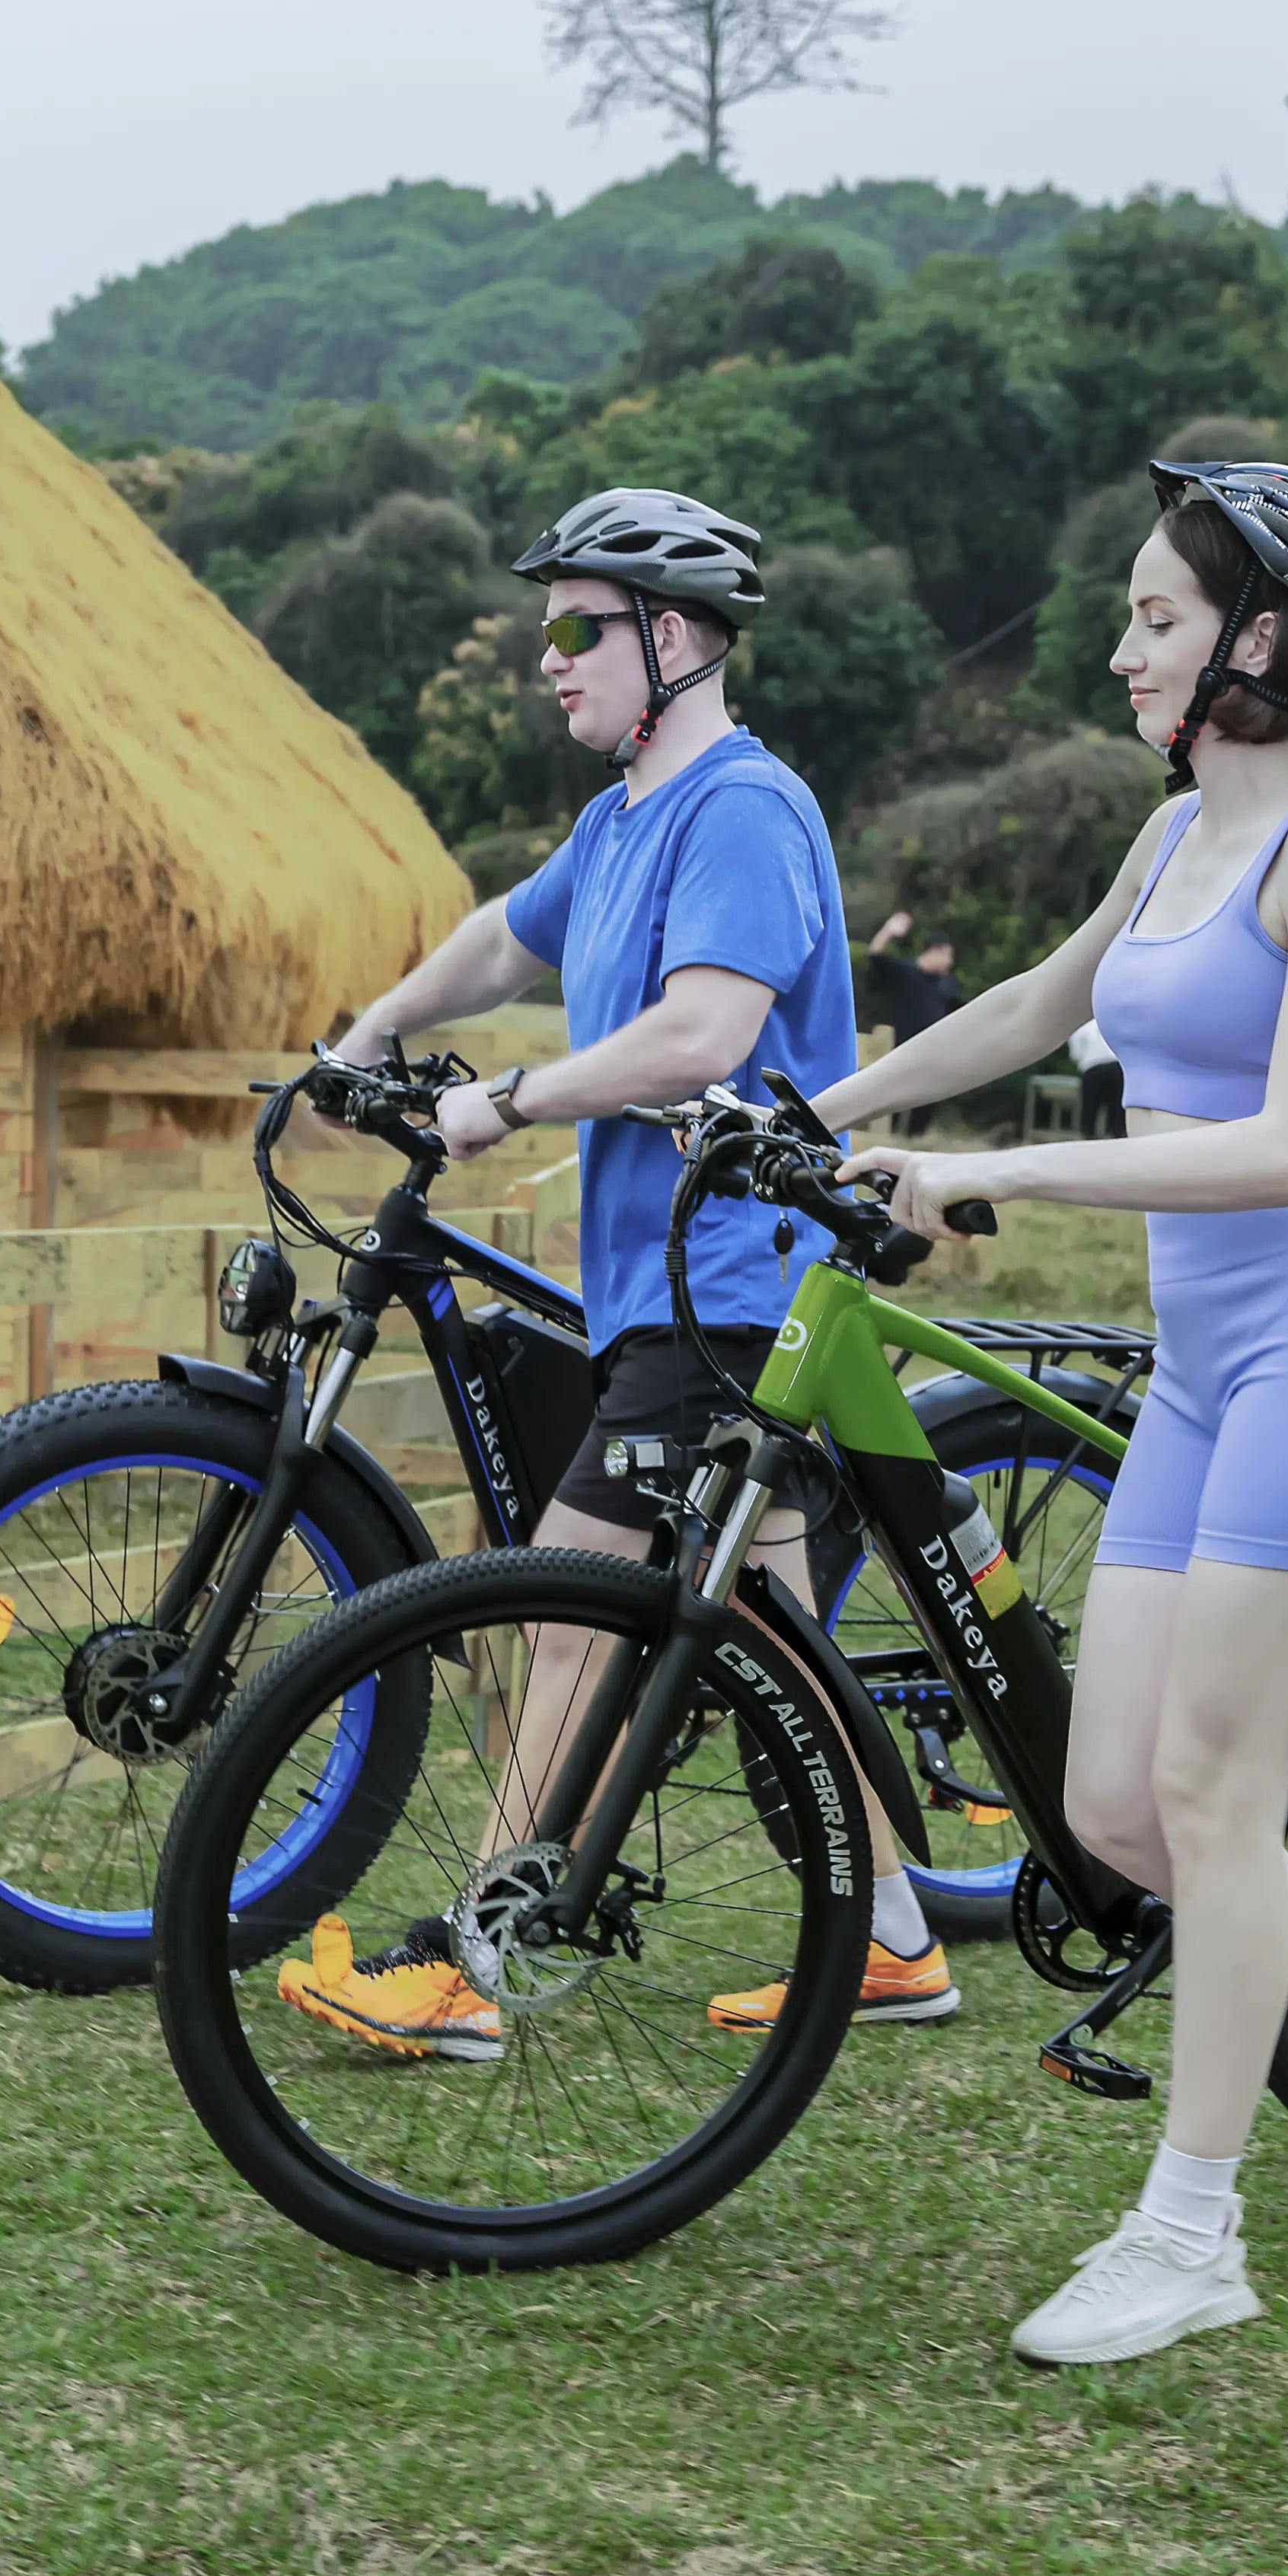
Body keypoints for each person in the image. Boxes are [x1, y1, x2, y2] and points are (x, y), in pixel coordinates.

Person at [811, 461, 1288, 2367]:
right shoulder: (1172, 834)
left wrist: (1010, 1184)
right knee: (1111, 1801)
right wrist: (834, 1109)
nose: (1119, 647)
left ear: (1261, 640)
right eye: (1127, 615)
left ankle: (1190, 2227)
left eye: (1154, 617)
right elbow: (1039, 1004)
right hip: (1205, 1375)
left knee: (1210, 1792)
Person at [273, 486, 961, 2055]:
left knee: (573, 1615)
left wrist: (502, 1099)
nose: (551, 661)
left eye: (578, 630)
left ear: (678, 638)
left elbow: (706, 1033)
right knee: (777, 1625)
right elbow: (503, 943)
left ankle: (474, 1960)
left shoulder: (742, 809)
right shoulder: (622, 818)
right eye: (546, 633)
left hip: (733, 1282)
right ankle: (902, 1938)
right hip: (675, 1286)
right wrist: (371, 1031)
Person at [865, 911, 964, 1134]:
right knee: (895, 1094)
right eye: (948, 955)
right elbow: (875, 956)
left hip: (934, 1051)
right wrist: (888, 931)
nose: (950, 962)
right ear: (935, 951)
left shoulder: (947, 983)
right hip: (902, 1047)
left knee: (929, 1096)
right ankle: (889, 1132)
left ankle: (915, 1137)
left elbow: (960, 1008)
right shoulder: (906, 972)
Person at [1067, 1015, 1124, 1139]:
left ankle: (1088, 1137)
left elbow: (1076, 1055)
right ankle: (1116, 1137)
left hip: (1092, 1066)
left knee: (1090, 1108)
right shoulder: (1115, 1022)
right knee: (1117, 1110)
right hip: (1116, 1065)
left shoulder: (1081, 1026)